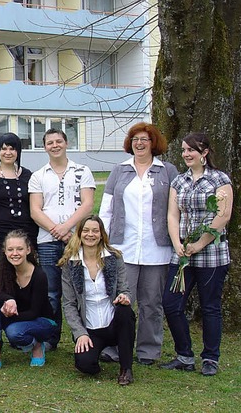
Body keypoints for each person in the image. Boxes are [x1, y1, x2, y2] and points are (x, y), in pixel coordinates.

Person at [98, 122, 179, 365]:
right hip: (124, 248)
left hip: (158, 249)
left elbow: (176, 207)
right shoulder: (119, 170)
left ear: (154, 143)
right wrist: (102, 243)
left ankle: (148, 351)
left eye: (145, 139)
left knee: (152, 303)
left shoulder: (168, 171)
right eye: (135, 140)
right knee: (120, 300)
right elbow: (106, 209)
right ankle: (113, 348)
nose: (139, 144)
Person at [160, 132, 233, 376]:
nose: (186, 154)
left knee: (210, 306)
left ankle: (210, 358)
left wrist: (200, 244)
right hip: (182, 255)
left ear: (205, 153)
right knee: (171, 304)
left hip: (211, 255)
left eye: (191, 150)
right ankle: (184, 355)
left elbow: (223, 216)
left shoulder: (219, 180)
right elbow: (172, 214)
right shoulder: (179, 181)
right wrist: (177, 243)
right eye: (183, 150)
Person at [28, 128, 95, 351]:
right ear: (44, 147)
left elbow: (87, 204)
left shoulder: (82, 171)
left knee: (82, 288)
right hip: (47, 241)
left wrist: (68, 228)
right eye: (50, 142)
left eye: (59, 141)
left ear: (66, 143)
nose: (55, 145)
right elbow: (35, 210)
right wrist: (56, 230)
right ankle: (50, 338)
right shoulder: (38, 176)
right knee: (51, 291)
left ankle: (86, 336)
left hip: (78, 240)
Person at [60, 215, 136, 386]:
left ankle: (126, 369)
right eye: (86, 230)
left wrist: (124, 297)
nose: (90, 234)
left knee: (126, 312)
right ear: (79, 234)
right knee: (85, 364)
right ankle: (96, 355)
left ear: (101, 234)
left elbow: (125, 289)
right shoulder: (70, 264)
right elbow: (69, 304)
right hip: (90, 328)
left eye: (95, 231)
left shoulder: (114, 258)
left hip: (113, 322)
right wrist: (79, 333)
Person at [0, 230, 55, 372]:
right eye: (10, 249)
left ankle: (37, 345)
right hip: (17, 316)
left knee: (14, 332)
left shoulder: (39, 275)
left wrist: (8, 316)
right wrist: (9, 300)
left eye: (19, 249)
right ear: (5, 251)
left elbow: (35, 312)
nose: (15, 253)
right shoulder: (4, 268)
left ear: (28, 250)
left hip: (42, 321)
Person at [0, 133, 39, 297]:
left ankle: (19, 321)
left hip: (24, 241)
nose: (8, 152)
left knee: (24, 285)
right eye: (4, 149)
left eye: (12, 148)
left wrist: (32, 244)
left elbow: (33, 209)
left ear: (18, 152)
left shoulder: (28, 176)